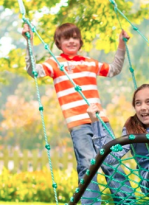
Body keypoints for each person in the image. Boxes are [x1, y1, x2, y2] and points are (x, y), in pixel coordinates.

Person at [22, 23, 134, 204]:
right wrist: (29, 43)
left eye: (75, 37)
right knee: (87, 164)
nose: (72, 41)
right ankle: (91, 203)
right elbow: (34, 71)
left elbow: (114, 69)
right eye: (66, 38)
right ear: (58, 42)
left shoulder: (89, 63)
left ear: (80, 41)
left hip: (100, 121)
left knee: (112, 161)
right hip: (78, 125)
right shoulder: (55, 63)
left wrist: (121, 45)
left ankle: (126, 201)